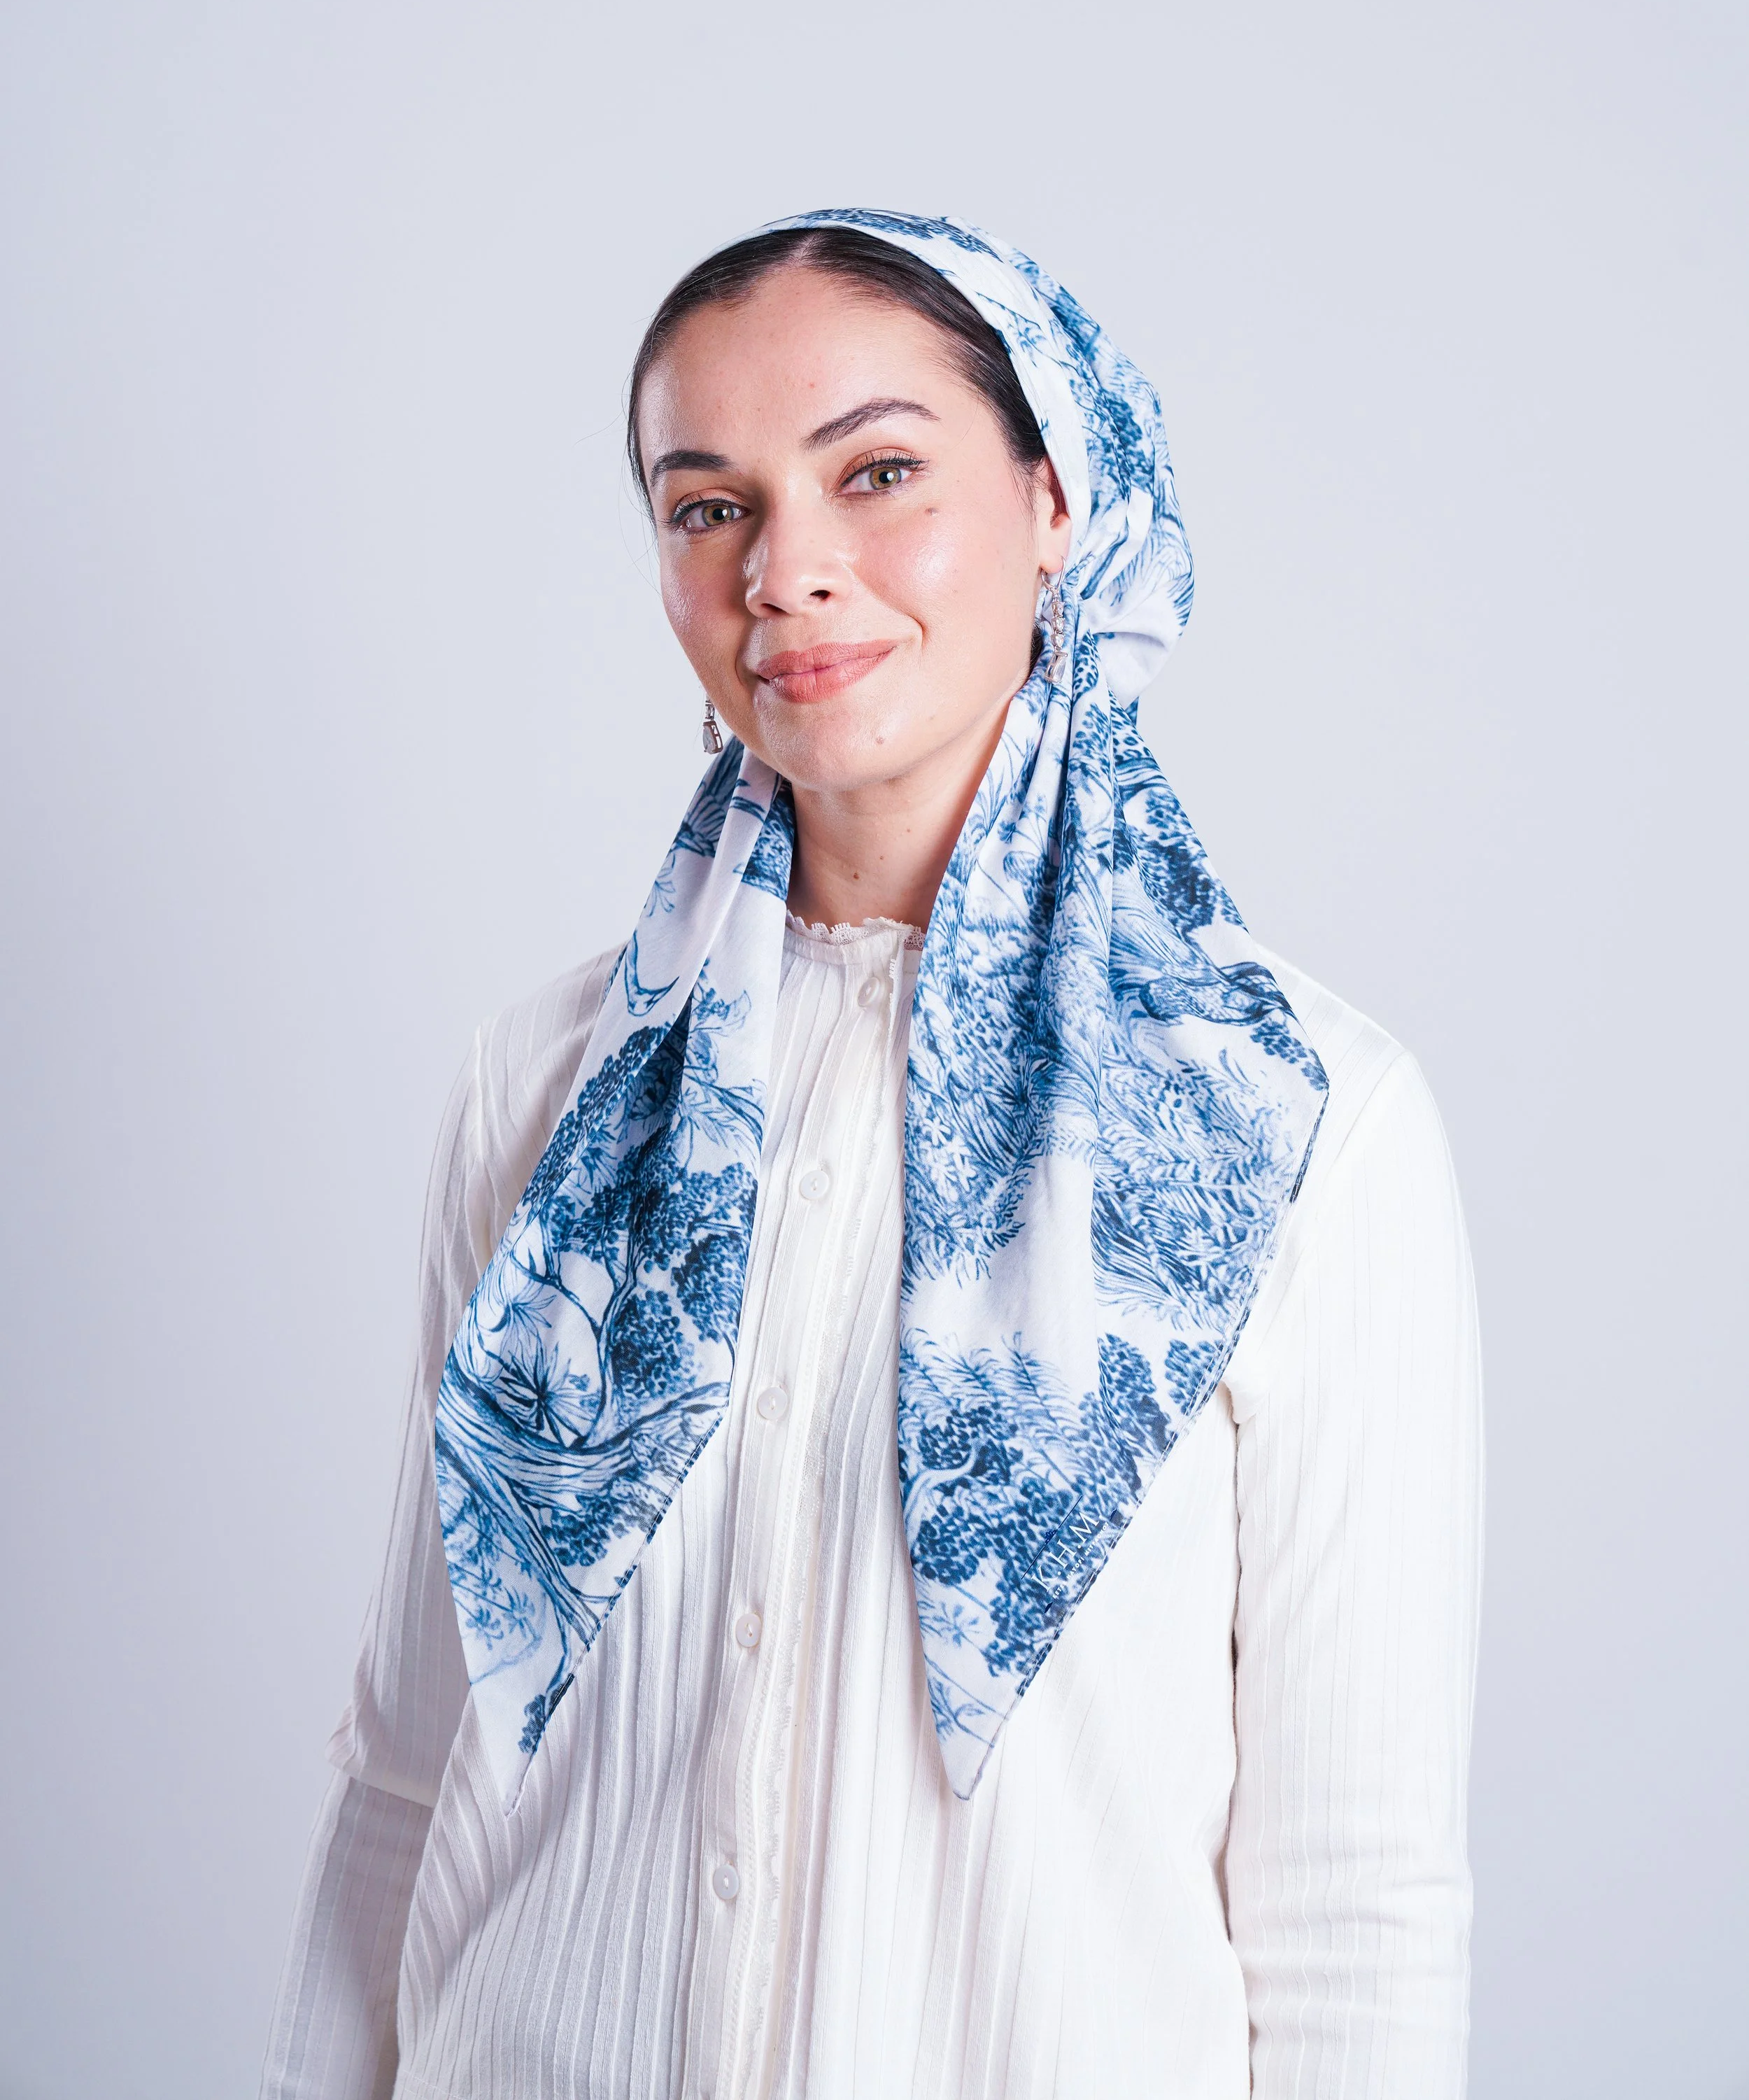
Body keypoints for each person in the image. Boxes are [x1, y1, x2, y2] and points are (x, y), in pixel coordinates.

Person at [260, 211, 1482, 2100]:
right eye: (708, 505)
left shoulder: (1297, 1120)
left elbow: (1352, 1903)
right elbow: (413, 1770)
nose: (788, 570)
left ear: (1056, 499)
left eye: (879, 472)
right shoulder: (545, 1087)